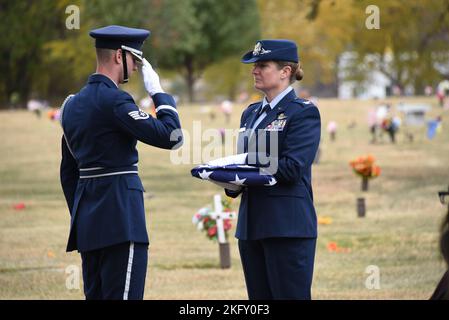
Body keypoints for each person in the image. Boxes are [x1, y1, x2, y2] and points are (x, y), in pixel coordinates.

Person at [59, 25, 182, 300]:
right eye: (135, 60)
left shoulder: (70, 104)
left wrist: (84, 214)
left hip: (88, 225)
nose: (137, 68)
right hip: (121, 221)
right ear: (119, 56)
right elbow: (172, 137)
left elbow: (69, 173)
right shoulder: (115, 101)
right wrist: (158, 92)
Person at [225, 39, 321, 299]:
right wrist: (228, 178)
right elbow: (244, 162)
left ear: (285, 71)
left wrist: (247, 167)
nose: (254, 71)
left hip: (286, 226)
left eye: (262, 65)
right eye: (254, 66)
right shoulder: (251, 112)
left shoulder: (302, 113)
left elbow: (293, 167)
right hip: (251, 225)